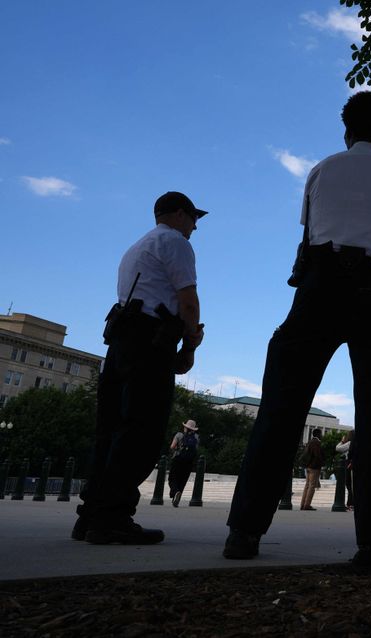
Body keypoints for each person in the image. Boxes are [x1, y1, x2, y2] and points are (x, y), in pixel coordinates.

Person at [224, 91, 371, 571]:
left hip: (317, 288)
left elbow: (308, 235)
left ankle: (244, 531)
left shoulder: (321, 170)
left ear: (346, 129)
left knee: (279, 409)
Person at [72, 191, 207, 544]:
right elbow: (188, 300)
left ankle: (90, 515)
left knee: (111, 428)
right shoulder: (175, 242)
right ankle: (114, 517)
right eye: (194, 219)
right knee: (141, 429)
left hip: (122, 339)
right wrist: (191, 341)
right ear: (180, 214)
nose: (195, 227)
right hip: (150, 341)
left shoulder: (137, 247)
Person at [168, 419, 201, 507]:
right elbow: (196, 450)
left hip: (178, 459)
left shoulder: (179, 435)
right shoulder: (196, 437)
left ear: (185, 427)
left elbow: (172, 446)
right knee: (182, 480)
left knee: (172, 478)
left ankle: (175, 492)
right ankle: (177, 498)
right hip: (189, 462)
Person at [299, 428, 324, 511]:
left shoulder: (310, 442)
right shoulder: (316, 442)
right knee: (311, 486)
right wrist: (321, 465)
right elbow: (317, 455)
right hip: (314, 467)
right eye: (321, 434)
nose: (322, 435)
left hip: (308, 466)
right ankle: (307, 505)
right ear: (318, 434)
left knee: (307, 486)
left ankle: (303, 504)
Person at [336, 431, 354, 510]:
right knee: (351, 485)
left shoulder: (350, 443)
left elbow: (338, 448)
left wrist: (342, 441)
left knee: (349, 484)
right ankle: (350, 503)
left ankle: (350, 503)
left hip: (349, 465)